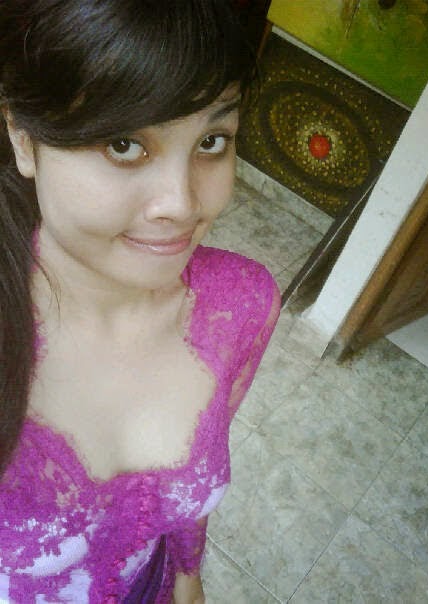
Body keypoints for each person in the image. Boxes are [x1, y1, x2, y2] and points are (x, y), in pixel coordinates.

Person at [0, 1, 280, 602]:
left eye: (212, 140)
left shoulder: (240, 305)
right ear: (24, 139)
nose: (182, 203)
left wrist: (187, 573)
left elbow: (190, 501)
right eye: (124, 144)